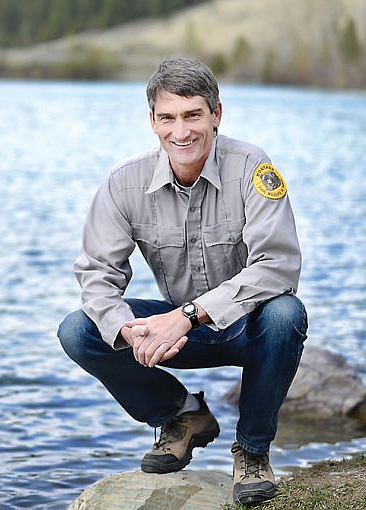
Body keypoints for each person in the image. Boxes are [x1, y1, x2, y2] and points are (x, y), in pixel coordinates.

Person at [57, 57, 308, 506]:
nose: (181, 131)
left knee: (286, 312)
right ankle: (182, 416)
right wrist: (127, 328)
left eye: (193, 114)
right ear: (152, 121)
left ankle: (251, 452)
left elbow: (279, 265)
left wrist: (189, 316)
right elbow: (97, 274)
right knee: (79, 329)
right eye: (168, 117)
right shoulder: (122, 183)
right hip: (179, 336)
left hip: (246, 327)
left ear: (216, 114)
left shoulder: (252, 165)